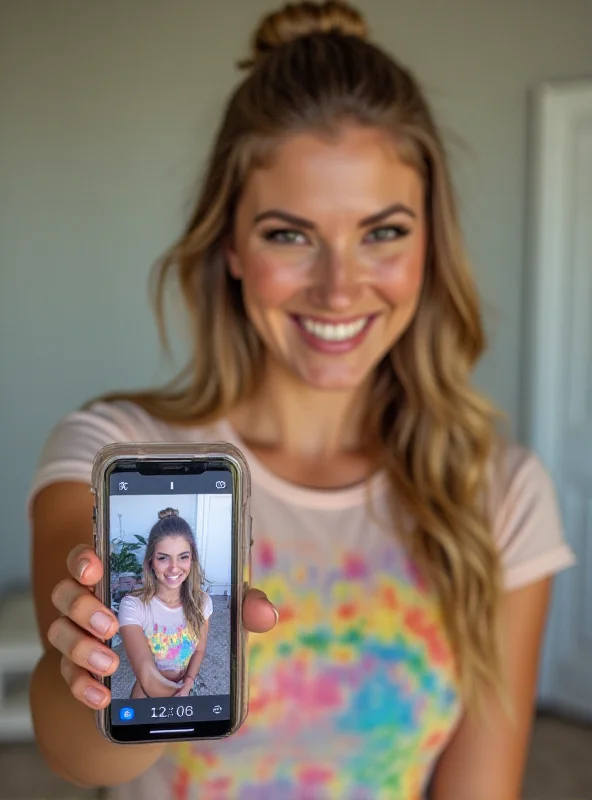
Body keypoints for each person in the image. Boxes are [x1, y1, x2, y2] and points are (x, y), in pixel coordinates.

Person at [29, 1, 575, 798]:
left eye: (382, 232)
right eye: (290, 234)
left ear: (431, 240)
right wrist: (110, 669)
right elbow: (74, 750)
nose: (339, 287)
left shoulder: (501, 494)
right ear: (232, 246)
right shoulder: (111, 448)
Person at [116, 508, 213, 700]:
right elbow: (146, 673)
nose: (174, 567)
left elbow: (199, 650)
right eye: (163, 558)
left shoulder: (203, 602)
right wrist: (182, 694)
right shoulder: (133, 606)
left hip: (185, 688)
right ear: (151, 561)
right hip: (147, 694)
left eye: (183, 557)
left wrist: (189, 682)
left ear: (191, 559)